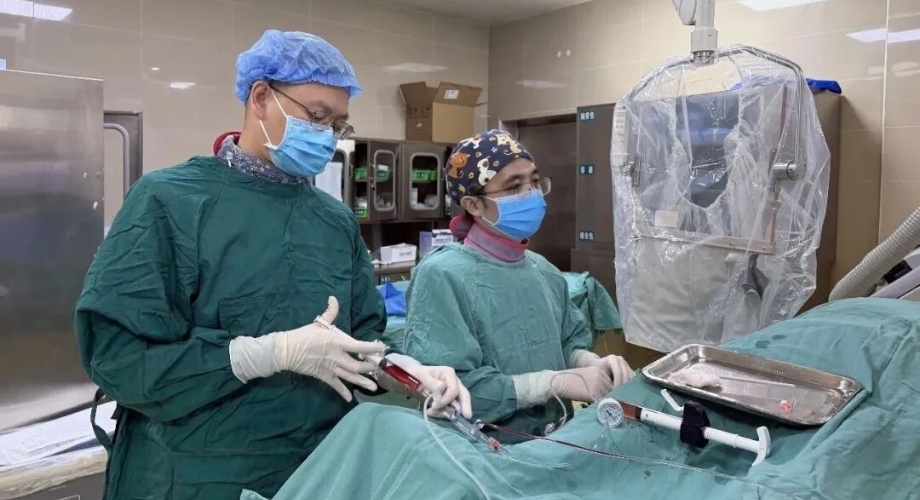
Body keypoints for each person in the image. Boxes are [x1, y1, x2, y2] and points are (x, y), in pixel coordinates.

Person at [74, 30, 470, 500]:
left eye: (338, 125)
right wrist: (264, 354)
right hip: (195, 477)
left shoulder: (334, 221)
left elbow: (363, 339)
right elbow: (119, 359)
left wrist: (404, 371)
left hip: (320, 473)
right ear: (261, 97)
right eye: (317, 117)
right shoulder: (170, 201)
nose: (327, 135)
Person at [395, 129, 634, 441]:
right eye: (514, 187)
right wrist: (549, 384)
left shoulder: (544, 271)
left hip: (556, 439)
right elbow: (447, 391)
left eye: (534, 182)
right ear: (473, 204)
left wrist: (592, 364)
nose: (532, 194)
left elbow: (564, 344)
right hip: (482, 448)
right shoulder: (442, 275)